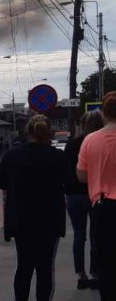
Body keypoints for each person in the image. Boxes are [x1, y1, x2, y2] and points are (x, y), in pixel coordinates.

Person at [0, 115, 67, 301]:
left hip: (21, 220)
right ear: (49, 133)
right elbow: (68, 183)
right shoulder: (58, 157)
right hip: (49, 222)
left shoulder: (12, 155)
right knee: (45, 269)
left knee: (24, 268)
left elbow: (0, 182)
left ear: (27, 132)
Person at [77, 91, 116, 301]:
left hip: (103, 208)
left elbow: (82, 176)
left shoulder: (90, 140)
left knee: (106, 263)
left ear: (105, 112)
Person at [64, 111, 104, 290]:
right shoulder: (102, 143)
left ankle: (81, 276)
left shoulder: (72, 145)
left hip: (75, 195)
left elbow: (66, 171)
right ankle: (96, 275)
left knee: (79, 235)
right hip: (98, 195)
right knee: (97, 236)